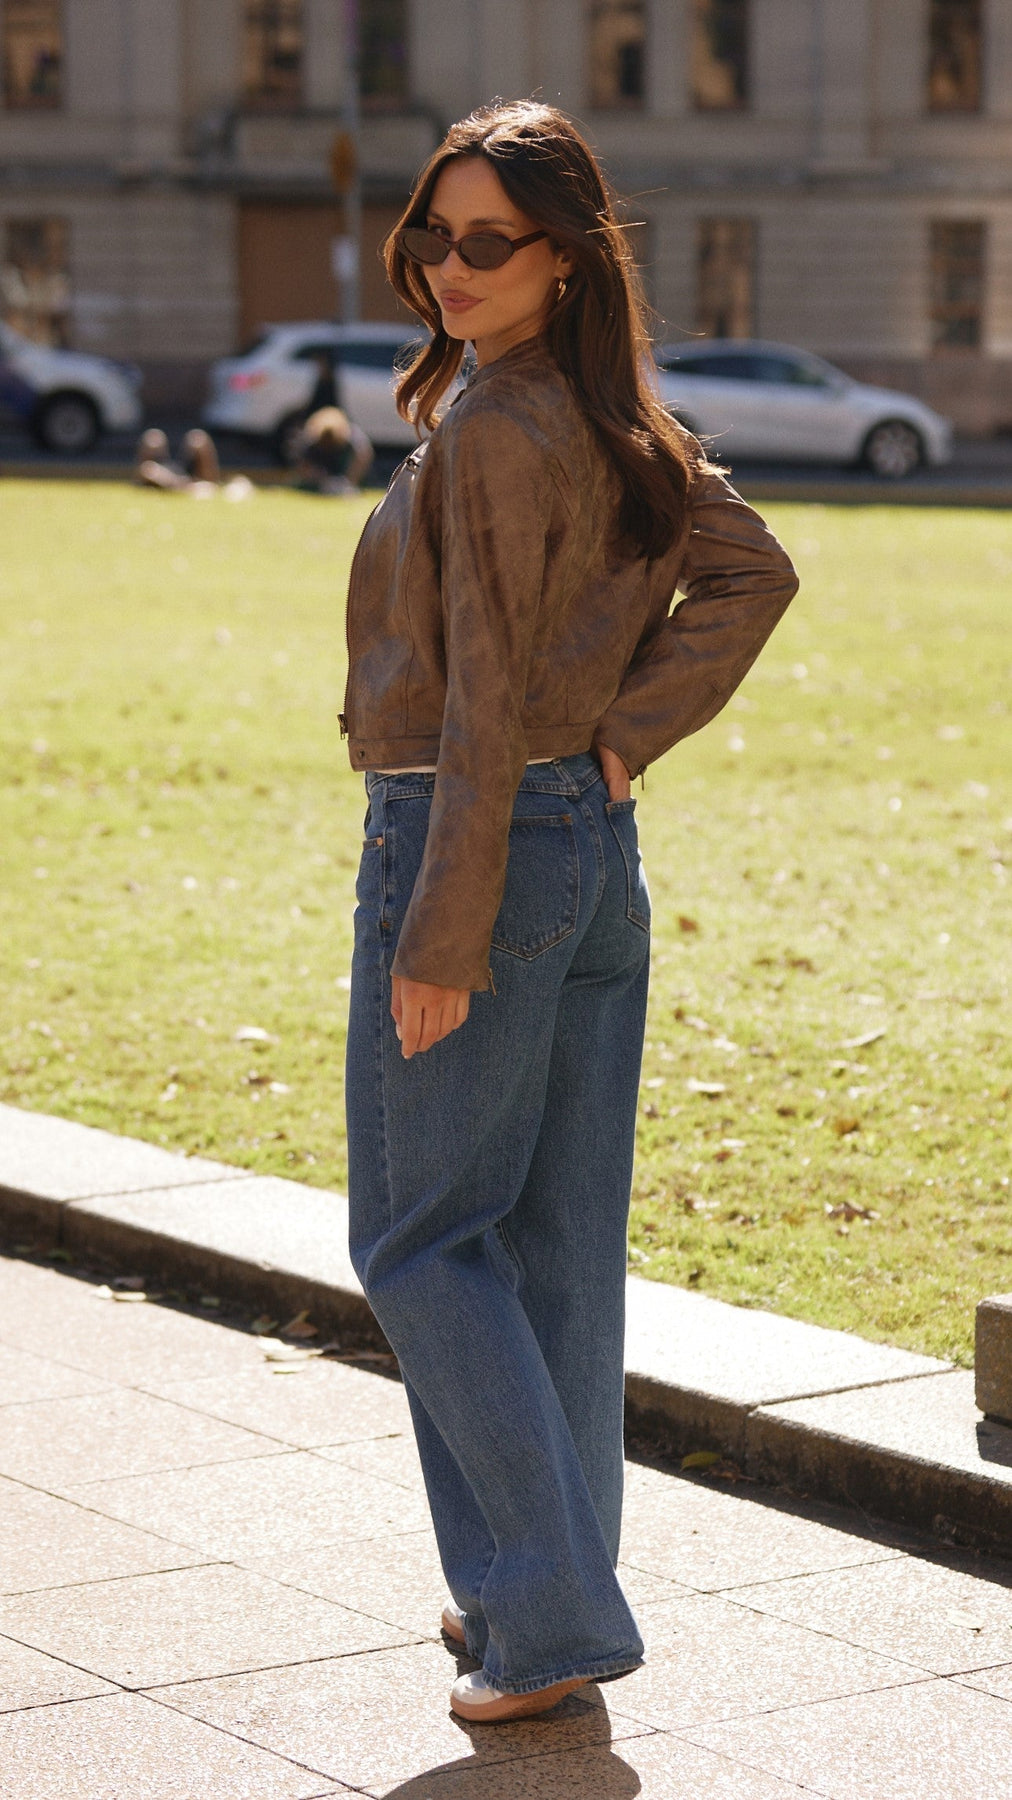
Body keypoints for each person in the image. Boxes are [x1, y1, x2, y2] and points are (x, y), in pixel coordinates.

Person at [342, 101, 798, 1725]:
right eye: (432, 233)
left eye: (488, 241)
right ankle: (537, 1590)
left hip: (472, 840)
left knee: (415, 1240)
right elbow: (750, 573)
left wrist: (442, 924)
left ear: (564, 258)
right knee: (551, 1250)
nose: (448, 266)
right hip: (585, 853)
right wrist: (615, 745)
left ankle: (544, 1617)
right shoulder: (610, 418)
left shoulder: (496, 428)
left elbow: (480, 695)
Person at [294, 405, 373, 494]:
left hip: (344, 467)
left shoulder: (351, 436)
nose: (328, 448)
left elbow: (364, 456)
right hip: (321, 471)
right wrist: (318, 478)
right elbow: (302, 464)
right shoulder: (311, 438)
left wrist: (350, 481)